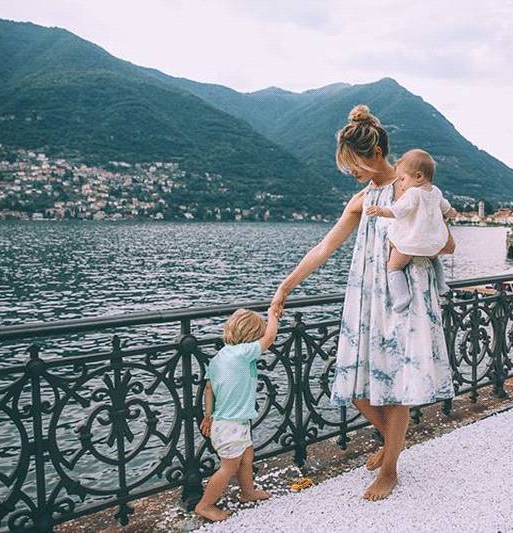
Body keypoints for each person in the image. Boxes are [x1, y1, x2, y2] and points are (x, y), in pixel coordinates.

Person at [271, 104, 455, 501]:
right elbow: (325, 247)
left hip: (405, 291)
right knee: (355, 383)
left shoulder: (410, 190)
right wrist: (286, 287)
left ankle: (390, 468)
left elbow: (445, 240)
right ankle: (393, 443)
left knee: (398, 382)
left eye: (354, 163)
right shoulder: (361, 199)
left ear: (375, 153)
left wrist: (410, 243)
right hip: (367, 295)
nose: (351, 171)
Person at [194, 307, 280, 522]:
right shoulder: (243, 352)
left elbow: (209, 389)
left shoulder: (219, 357)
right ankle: (205, 505)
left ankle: (247, 492)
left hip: (228, 422)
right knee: (228, 467)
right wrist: (273, 314)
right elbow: (270, 338)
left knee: (246, 458)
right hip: (231, 424)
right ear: (253, 335)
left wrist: (208, 415)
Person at [366, 148, 457, 311]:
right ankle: (441, 285)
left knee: (393, 267)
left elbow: (397, 211)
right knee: (434, 259)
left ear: (419, 176)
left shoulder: (413, 193)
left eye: (402, 179)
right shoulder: (436, 192)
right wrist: (453, 213)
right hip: (433, 244)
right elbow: (447, 209)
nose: (401, 184)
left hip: (412, 243)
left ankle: (402, 296)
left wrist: (380, 211)